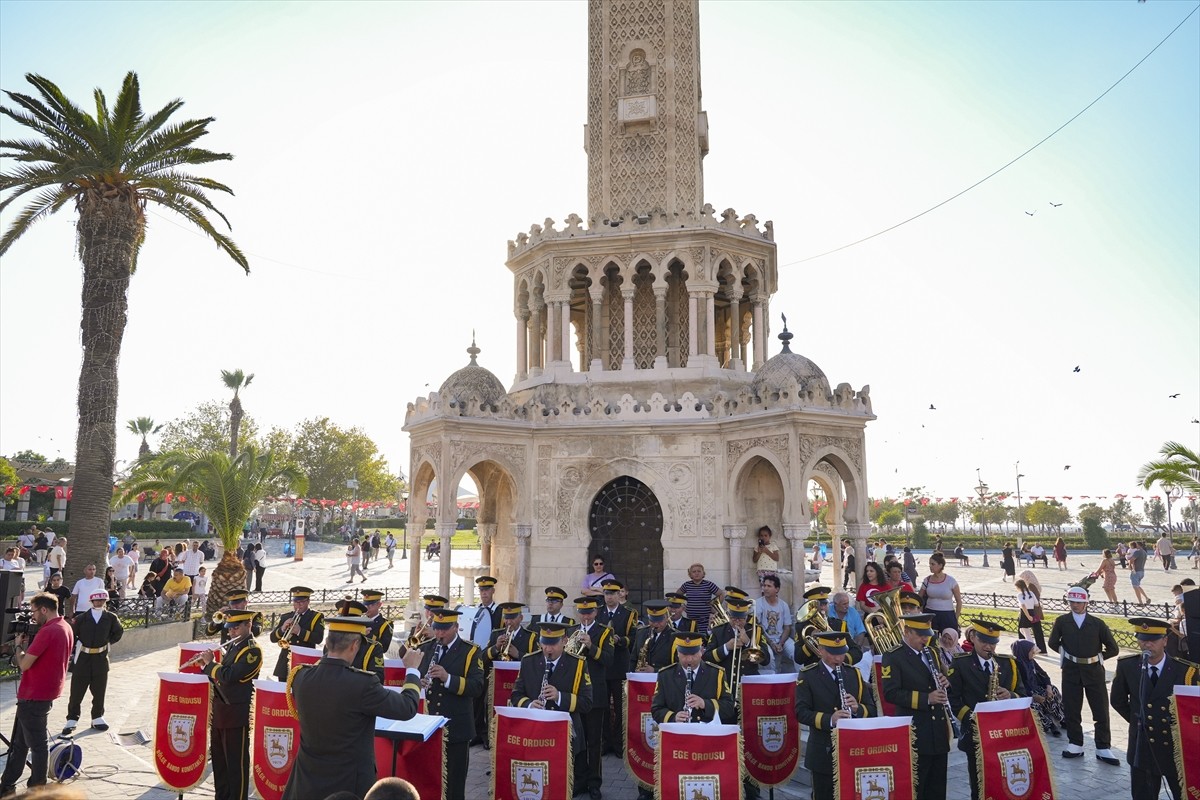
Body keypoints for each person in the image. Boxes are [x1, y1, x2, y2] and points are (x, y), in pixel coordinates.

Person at [281, 614, 424, 800]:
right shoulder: (363, 684)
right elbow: (407, 707)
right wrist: (412, 670)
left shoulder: (300, 676)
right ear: (354, 645)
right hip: (348, 784)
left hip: (306, 782)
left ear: (327, 642)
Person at [1110, 617, 1199, 800]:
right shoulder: (1128, 666)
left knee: (1184, 795)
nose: (1147, 644)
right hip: (1143, 745)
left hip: (1175, 747)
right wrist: (1139, 718)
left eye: (1153, 640)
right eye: (1142, 639)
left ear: (1165, 640)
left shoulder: (1185, 671)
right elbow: (1118, 700)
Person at [0, 593, 73, 797]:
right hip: (44, 694)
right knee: (20, 745)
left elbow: (24, 664)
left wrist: (17, 645)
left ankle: (37, 789)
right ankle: (7, 784)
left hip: (34, 696)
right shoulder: (65, 626)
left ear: (43, 609)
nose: (32, 617)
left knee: (38, 747)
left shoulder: (48, 631)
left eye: (33, 611)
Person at [650, 634, 735, 800]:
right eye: (684, 655)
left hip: (707, 742)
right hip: (678, 741)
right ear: (678, 654)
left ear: (701, 652)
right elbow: (656, 709)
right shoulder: (666, 675)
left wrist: (705, 704)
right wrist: (674, 717)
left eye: (693, 655)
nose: (689, 659)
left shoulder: (716, 674)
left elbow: (728, 708)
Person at [509, 621, 593, 789]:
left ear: (564, 641)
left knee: (560, 784)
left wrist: (560, 696)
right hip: (535, 733)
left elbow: (587, 703)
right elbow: (516, 695)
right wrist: (529, 705)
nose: (548, 649)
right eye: (544, 643)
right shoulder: (528, 661)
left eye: (553, 644)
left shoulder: (578, 664)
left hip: (566, 733)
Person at [794, 631, 876, 800]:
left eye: (841, 653)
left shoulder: (853, 674)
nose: (838, 658)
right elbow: (801, 712)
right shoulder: (808, 675)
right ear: (821, 650)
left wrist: (857, 709)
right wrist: (830, 719)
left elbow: (872, 709)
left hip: (851, 749)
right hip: (822, 751)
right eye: (833, 653)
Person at [948, 620, 1024, 800]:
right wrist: (974, 719)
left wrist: (1011, 695)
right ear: (974, 638)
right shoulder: (960, 664)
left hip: (1004, 734)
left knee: (1004, 780)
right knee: (979, 783)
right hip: (975, 734)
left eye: (993, 643)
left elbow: (1023, 693)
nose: (988, 647)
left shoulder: (1008, 664)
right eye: (984, 641)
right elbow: (953, 699)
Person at [881, 613, 953, 800]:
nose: (925, 638)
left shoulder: (932, 652)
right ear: (906, 632)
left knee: (937, 788)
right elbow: (891, 693)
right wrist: (926, 699)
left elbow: (936, 679)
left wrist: (944, 681)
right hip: (916, 730)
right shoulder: (893, 656)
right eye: (921, 634)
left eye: (927, 634)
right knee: (917, 787)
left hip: (937, 730)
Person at [416, 608, 484, 800]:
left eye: (445, 629)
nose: (439, 634)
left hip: (456, 727)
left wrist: (448, 679)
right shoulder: (426, 647)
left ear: (456, 627)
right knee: (428, 778)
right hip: (428, 725)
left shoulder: (471, 651)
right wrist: (418, 682)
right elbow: (414, 675)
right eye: (437, 628)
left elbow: (477, 687)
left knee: (454, 782)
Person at [1048, 585, 1120, 764]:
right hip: (1071, 671)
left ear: (1086, 602)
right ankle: (1075, 743)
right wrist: (1066, 654)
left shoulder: (1097, 623)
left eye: (1079, 602)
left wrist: (1099, 658)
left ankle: (1103, 747)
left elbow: (1113, 647)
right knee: (1072, 708)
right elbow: (1052, 642)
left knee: (1100, 709)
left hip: (1094, 671)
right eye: (1072, 602)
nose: (1075, 605)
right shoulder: (1062, 621)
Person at [200, 608, 261, 800]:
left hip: (236, 714)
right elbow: (221, 675)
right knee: (220, 763)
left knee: (236, 765)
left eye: (235, 628)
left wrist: (210, 665)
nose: (231, 632)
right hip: (220, 712)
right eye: (229, 628)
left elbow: (230, 676)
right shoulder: (234, 646)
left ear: (248, 625)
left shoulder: (252, 650)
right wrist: (205, 667)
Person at [571, 595, 615, 800]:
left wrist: (591, 646)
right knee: (577, 740)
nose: (585, 616)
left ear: (596, 612)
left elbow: (608, 660)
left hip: (596, 693)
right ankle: (579, 780)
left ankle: (595, 782)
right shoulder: (571, 631)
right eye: (582, 612)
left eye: (589, 612)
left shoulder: (605, 632)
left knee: (595, 741)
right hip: (575, 694)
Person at [598, 578, 637, 755]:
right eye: (606, 594)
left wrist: (620, 640)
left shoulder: (628, 613)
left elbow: (633, 638)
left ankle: (619, 742)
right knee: (603, 706)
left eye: (612, 593)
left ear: (618, 594)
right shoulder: (597, 613)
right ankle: (605, 742)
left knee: (621, 708)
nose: (609, 597)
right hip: (602, 666)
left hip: (620, 664)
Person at [270, 586, 325, 681]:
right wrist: (282, 628)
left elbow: (318, 638)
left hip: (303, 660)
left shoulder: (315, 617)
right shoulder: (286, 617)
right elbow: (272, 638)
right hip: (285, 661)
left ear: (308, 601)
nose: (298, 605)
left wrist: (300, 631)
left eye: (302, 602)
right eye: (296, 602)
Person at [1011, 639, 1064, 736]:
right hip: (1026, 694)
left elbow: (1043, 674)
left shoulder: (1031, 661)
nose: (1033, 653)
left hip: (1036, 688)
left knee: (1053, 691)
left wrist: (1048, 687)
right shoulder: (1015, 666)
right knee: (1034, 705)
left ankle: (1061, 718)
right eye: (1031, 651)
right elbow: (1019, 687)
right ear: (1024, 651)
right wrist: (1033, 696)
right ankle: (1049, 724)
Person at [754, 574, 794, 672]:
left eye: (769, 586)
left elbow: (787, 628)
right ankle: (772, 684)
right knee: (769, 657)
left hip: (781, 639)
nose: (765, 588)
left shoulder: (783, 605)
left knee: (797, 652)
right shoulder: (757, 604)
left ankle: (800, 682)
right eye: (764, 586)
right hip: (764, 640)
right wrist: (771, 643)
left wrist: (781, 643)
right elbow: (758, 627)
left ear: (777, 589)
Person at [920, 552, 961, 634]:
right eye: (929, 564)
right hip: (930, 614)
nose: (930, 566)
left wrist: (955, 618)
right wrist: (921, 614)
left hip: (947, 615)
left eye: (933, 564)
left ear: (940, 565)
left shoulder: (951, 581)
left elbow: (959, 601)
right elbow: (919, 598)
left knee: (947, 640)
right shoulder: (927, 580)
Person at [677, 563, 724, 634]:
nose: (696, 573)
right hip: (690, 621)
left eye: (699, 571)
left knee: (705, 640)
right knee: (692, 639)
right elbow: (677, 595)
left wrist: (715, 608)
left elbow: (721, 594)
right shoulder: (686, 585)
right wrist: (682, 606)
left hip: (705, 621)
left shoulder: (708, 584)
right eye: (694, 572)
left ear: (703, 573)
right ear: (690, 574)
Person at [630, 600, 677, 672]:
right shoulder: (641, 633)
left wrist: (655, 670)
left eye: (659, 621)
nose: (655, 624)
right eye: (652, 620)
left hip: (662, 681)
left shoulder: (674, 636)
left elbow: (677, 667)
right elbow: (633, 659)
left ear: (667, 618)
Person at [1014, 577, 1046, 652]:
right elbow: (1037, 604)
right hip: (1032, 612)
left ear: (1019, 587)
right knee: (1025, 631)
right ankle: (1036, 648)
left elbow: (1023, 606)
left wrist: (1028, 616)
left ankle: (1034, 648)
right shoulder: (1031, 593)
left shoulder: (1020, 595)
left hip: (1025, 614)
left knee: (1025, 631)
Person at [1128, 541, 1151, 605]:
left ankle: (1140, 602)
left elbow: (1131, 560)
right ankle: (1146, 598)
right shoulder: (1144, 552)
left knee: (1135, 587)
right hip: (1141, 571)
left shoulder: (1137, 552)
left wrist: (1130, 566)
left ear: (1138, 545)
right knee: (1137, 586)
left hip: (1136, 571)